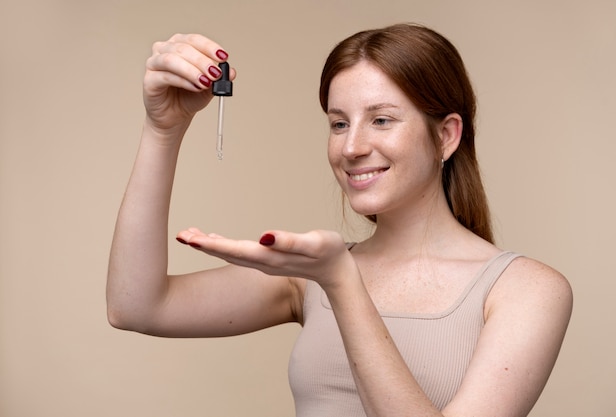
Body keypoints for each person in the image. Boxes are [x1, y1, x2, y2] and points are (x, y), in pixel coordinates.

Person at [107, 23, 573, 416]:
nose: (350, 148)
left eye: (382, 120)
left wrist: (343, 283)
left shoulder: (526, 290)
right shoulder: (308, 280)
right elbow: (136, 306)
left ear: (447, 135)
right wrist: (163, 129)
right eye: (338, 123)